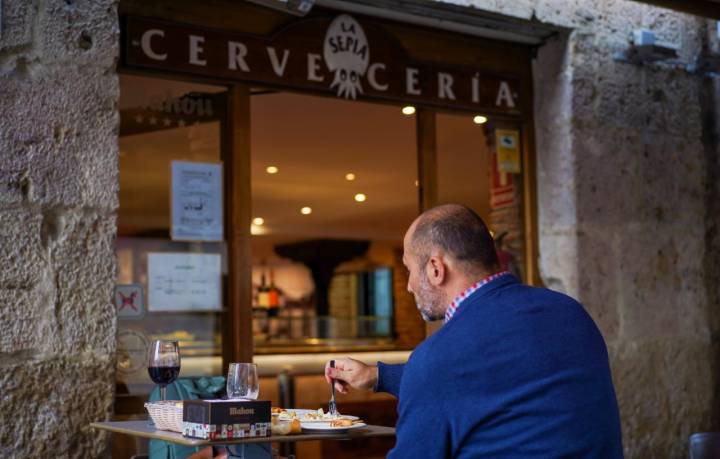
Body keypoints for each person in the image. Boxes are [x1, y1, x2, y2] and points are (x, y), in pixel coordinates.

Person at [325, 204, 623, 458]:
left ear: (435, 268)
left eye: (409, 270)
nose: (409, 286)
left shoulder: (439, 357)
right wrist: (377, 376)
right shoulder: (568, 312)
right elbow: (495, 375)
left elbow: (452, 375)